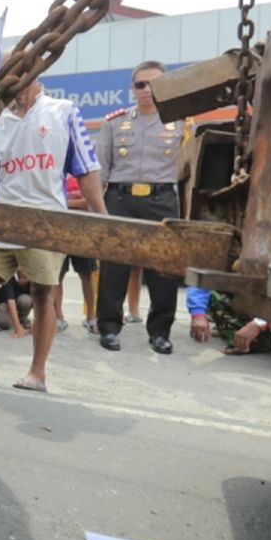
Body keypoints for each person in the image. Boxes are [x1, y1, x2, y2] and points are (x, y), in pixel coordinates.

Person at [0, 79, 106, 392]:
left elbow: (86, 168)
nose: (9, 85)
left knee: (44, 293)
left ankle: (37, 373)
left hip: (45, 220)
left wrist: (102, 217)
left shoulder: (64, 111)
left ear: (35, 75)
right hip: (1, 220)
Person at [95, 61, 190, 354]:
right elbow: (100, 170)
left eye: (153, 84)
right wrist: (97, 209)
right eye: (140, 85)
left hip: (161, 201)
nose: (147, 90)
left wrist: (187, 216)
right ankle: (109, 328)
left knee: (162, 270)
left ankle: (160, 332)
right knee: (114, 267)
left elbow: (189, 176)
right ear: (132, 89)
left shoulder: (182, 125)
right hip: (120, 200)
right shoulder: (114, 122)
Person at [53, 175, 98, 334]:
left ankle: (91, 316)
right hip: (59, 229)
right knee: (57, 276)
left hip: (83, 230)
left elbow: (88, 202)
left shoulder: (85, 175)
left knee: (87, 275)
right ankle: (58, 317)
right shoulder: (57, 173)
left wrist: (63, 203)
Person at [187, 286, 271, 354]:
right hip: (249, 310)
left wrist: (259, 323)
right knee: (214, 297)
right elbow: (201, 281)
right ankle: (246, 341)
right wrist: (198, 315)